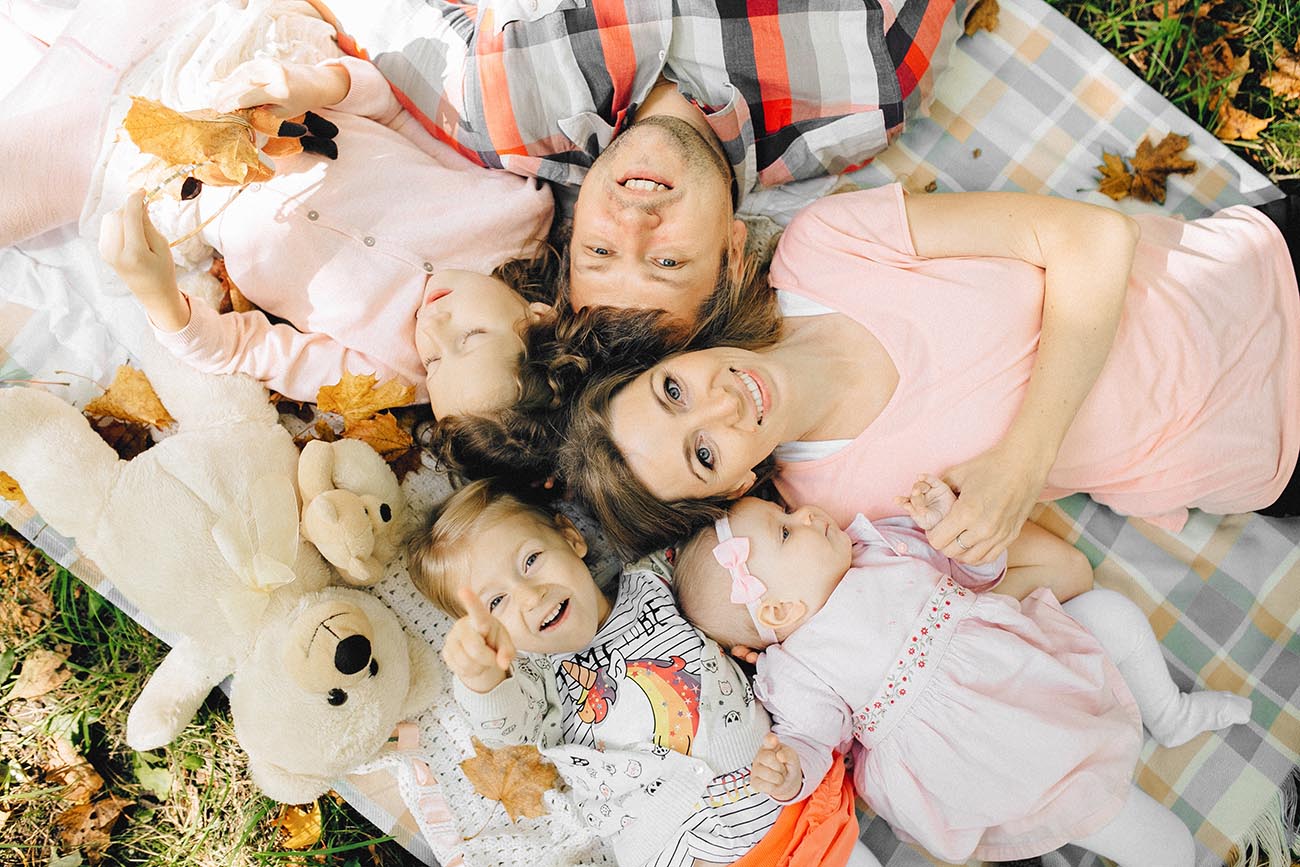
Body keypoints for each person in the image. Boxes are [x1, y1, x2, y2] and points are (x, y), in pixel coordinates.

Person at [555, 184, 1300, 563]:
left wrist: (1023, 457)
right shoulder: (845, 516)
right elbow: (1041, 567)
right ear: (730, 489)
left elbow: (1097, 236)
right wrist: (985, 538)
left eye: (673, 390)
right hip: (1263, 453)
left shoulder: (824, 249)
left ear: (672, 355)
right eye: (703, 452)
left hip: (1259, 279)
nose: (720, 402)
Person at [670, 484, 1252, 866]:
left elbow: (979, 576)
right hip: (984, 748)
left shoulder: (880, 545)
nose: (810, 513)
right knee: (1159, 842)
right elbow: (813, 741)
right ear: (777, 612)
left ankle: (1170, 715)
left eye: (787, 510)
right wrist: (790, 770)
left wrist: (954, 532)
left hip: (1021, 661)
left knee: (1113, 616)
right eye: (787, 530)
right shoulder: (797, 669)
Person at [306, 0, 971, 322]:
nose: (634, 223)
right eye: (667, 261)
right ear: (734, 252)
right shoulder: (866, 86)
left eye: (599, 251)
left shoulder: (498, 114)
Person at [406, 478, 867, 867]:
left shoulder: (655, 578)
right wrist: (482, 676)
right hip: (677, 851)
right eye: (496, 603)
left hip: (790, 807)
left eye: (530, 561)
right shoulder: (535, 684)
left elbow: (721, 552)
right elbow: (504, 727)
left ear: (571, 539)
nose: (530, 595)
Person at [96, 56, 556, 416]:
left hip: (184, 194)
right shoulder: (518, 213)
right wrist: (319, 85)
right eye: (471, 337)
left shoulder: (389, 377)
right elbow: (404, 111)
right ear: (538, 317)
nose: (432, 330)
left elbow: (243, 350)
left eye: (433, 365)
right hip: (270, 98)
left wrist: (156, 294)